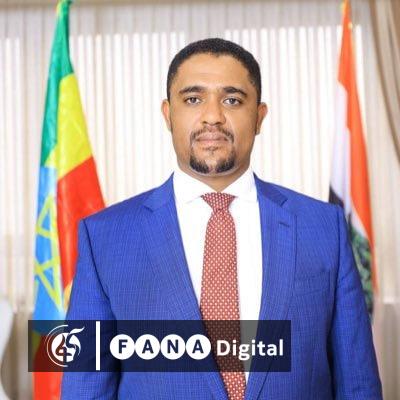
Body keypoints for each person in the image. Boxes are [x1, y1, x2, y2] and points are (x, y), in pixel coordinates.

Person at [61, 38, 382, 399]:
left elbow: (358, 384)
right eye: (193, 99)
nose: (212, 116)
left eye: (232, 100)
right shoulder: (104, 238)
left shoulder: (324, 229)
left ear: (259, 117)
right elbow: (84, 386)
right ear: (168, 114)